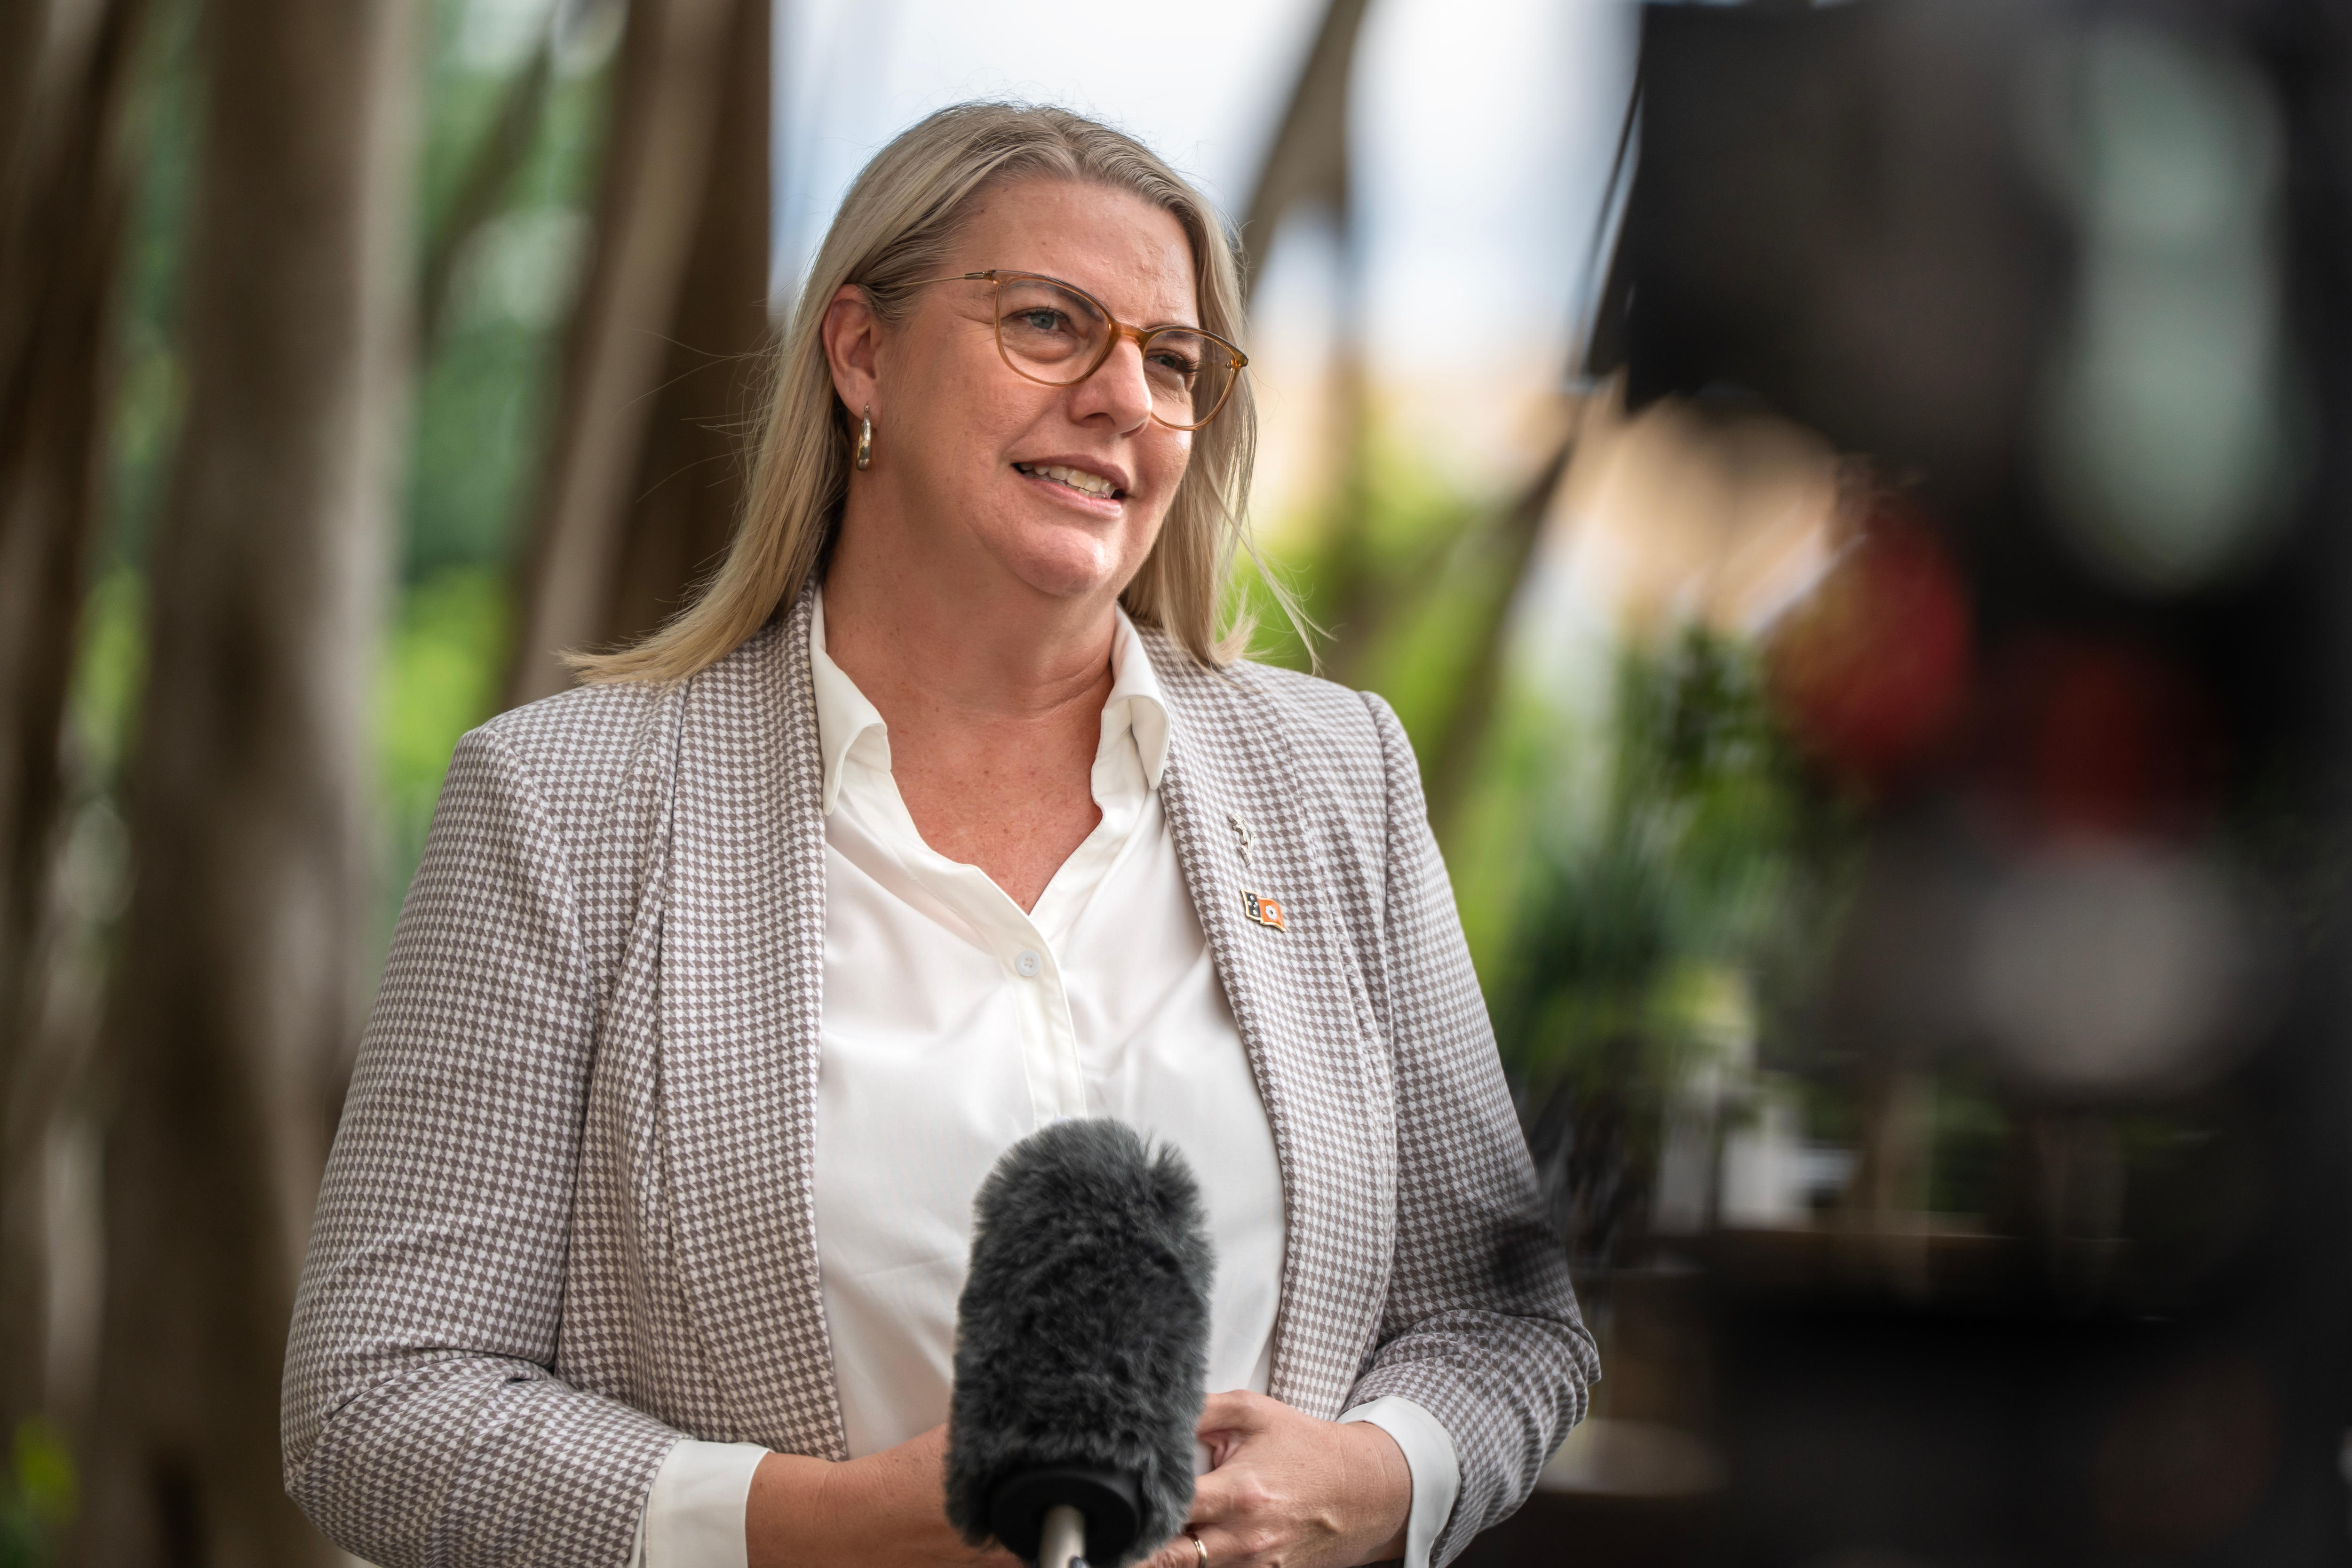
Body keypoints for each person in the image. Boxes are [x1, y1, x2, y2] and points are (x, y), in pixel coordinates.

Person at [281, 102, 1595, 1568]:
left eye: (1173, 362)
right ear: (862, 352)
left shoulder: (1338, 780)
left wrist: (1379, 1477)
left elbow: (1507, 1325)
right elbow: (376, 1402)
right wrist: (815, 1532)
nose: (1122, 397)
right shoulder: (567, 807)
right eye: (1049, 325)